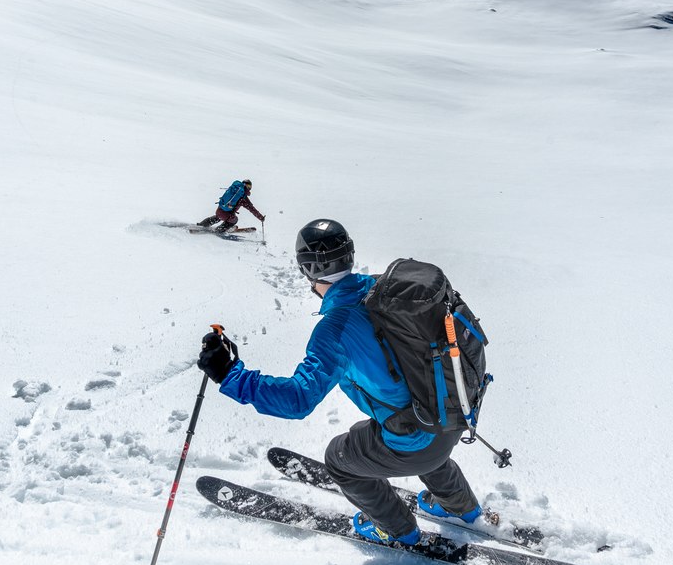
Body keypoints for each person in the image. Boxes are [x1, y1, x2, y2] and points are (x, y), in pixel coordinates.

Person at [197, 219, 485, 546]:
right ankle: (465, 509)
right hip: (450, 417)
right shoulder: (385, 292)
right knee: (406, 427)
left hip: (420, 439)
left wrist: (230, 374)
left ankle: (398, 531)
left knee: (338, 458)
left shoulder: (334, 330)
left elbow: (297, 400)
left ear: (307, 269)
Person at [198, 178, 265, 234]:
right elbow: (252, 209)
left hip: (219, 210)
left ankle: (202, 224)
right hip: (227, 214)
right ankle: (219, 230)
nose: (249, 189)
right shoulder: (243, 198)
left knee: (218, 217)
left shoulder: (234, 190)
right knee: (234, 220)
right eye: (249, 187)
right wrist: (261, 217)